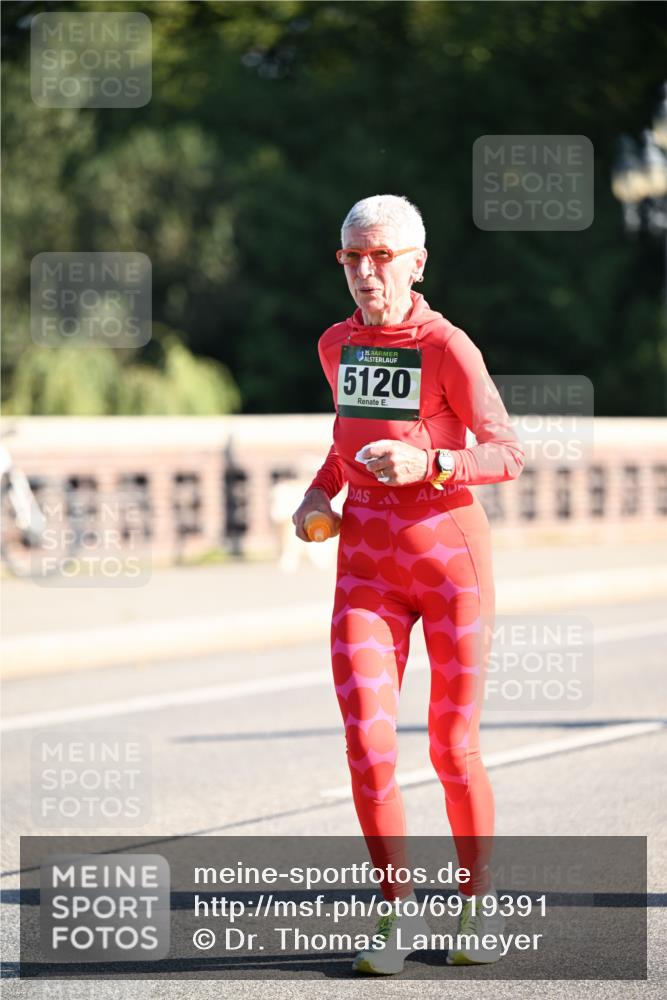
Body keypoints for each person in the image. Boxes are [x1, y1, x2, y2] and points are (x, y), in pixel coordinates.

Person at [292, 194, 525, 974]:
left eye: (380, 256)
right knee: (367, 744)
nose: (364, 271)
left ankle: (476, 905)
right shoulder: (335, 344)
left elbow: (506, 451)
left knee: (453, 746)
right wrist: (318, 493)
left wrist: (434, 462)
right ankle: (395, 916)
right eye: (351, 257)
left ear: (416, 263)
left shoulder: (446, 345)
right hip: (364, 560)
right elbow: (346, 439)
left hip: (448, 556)